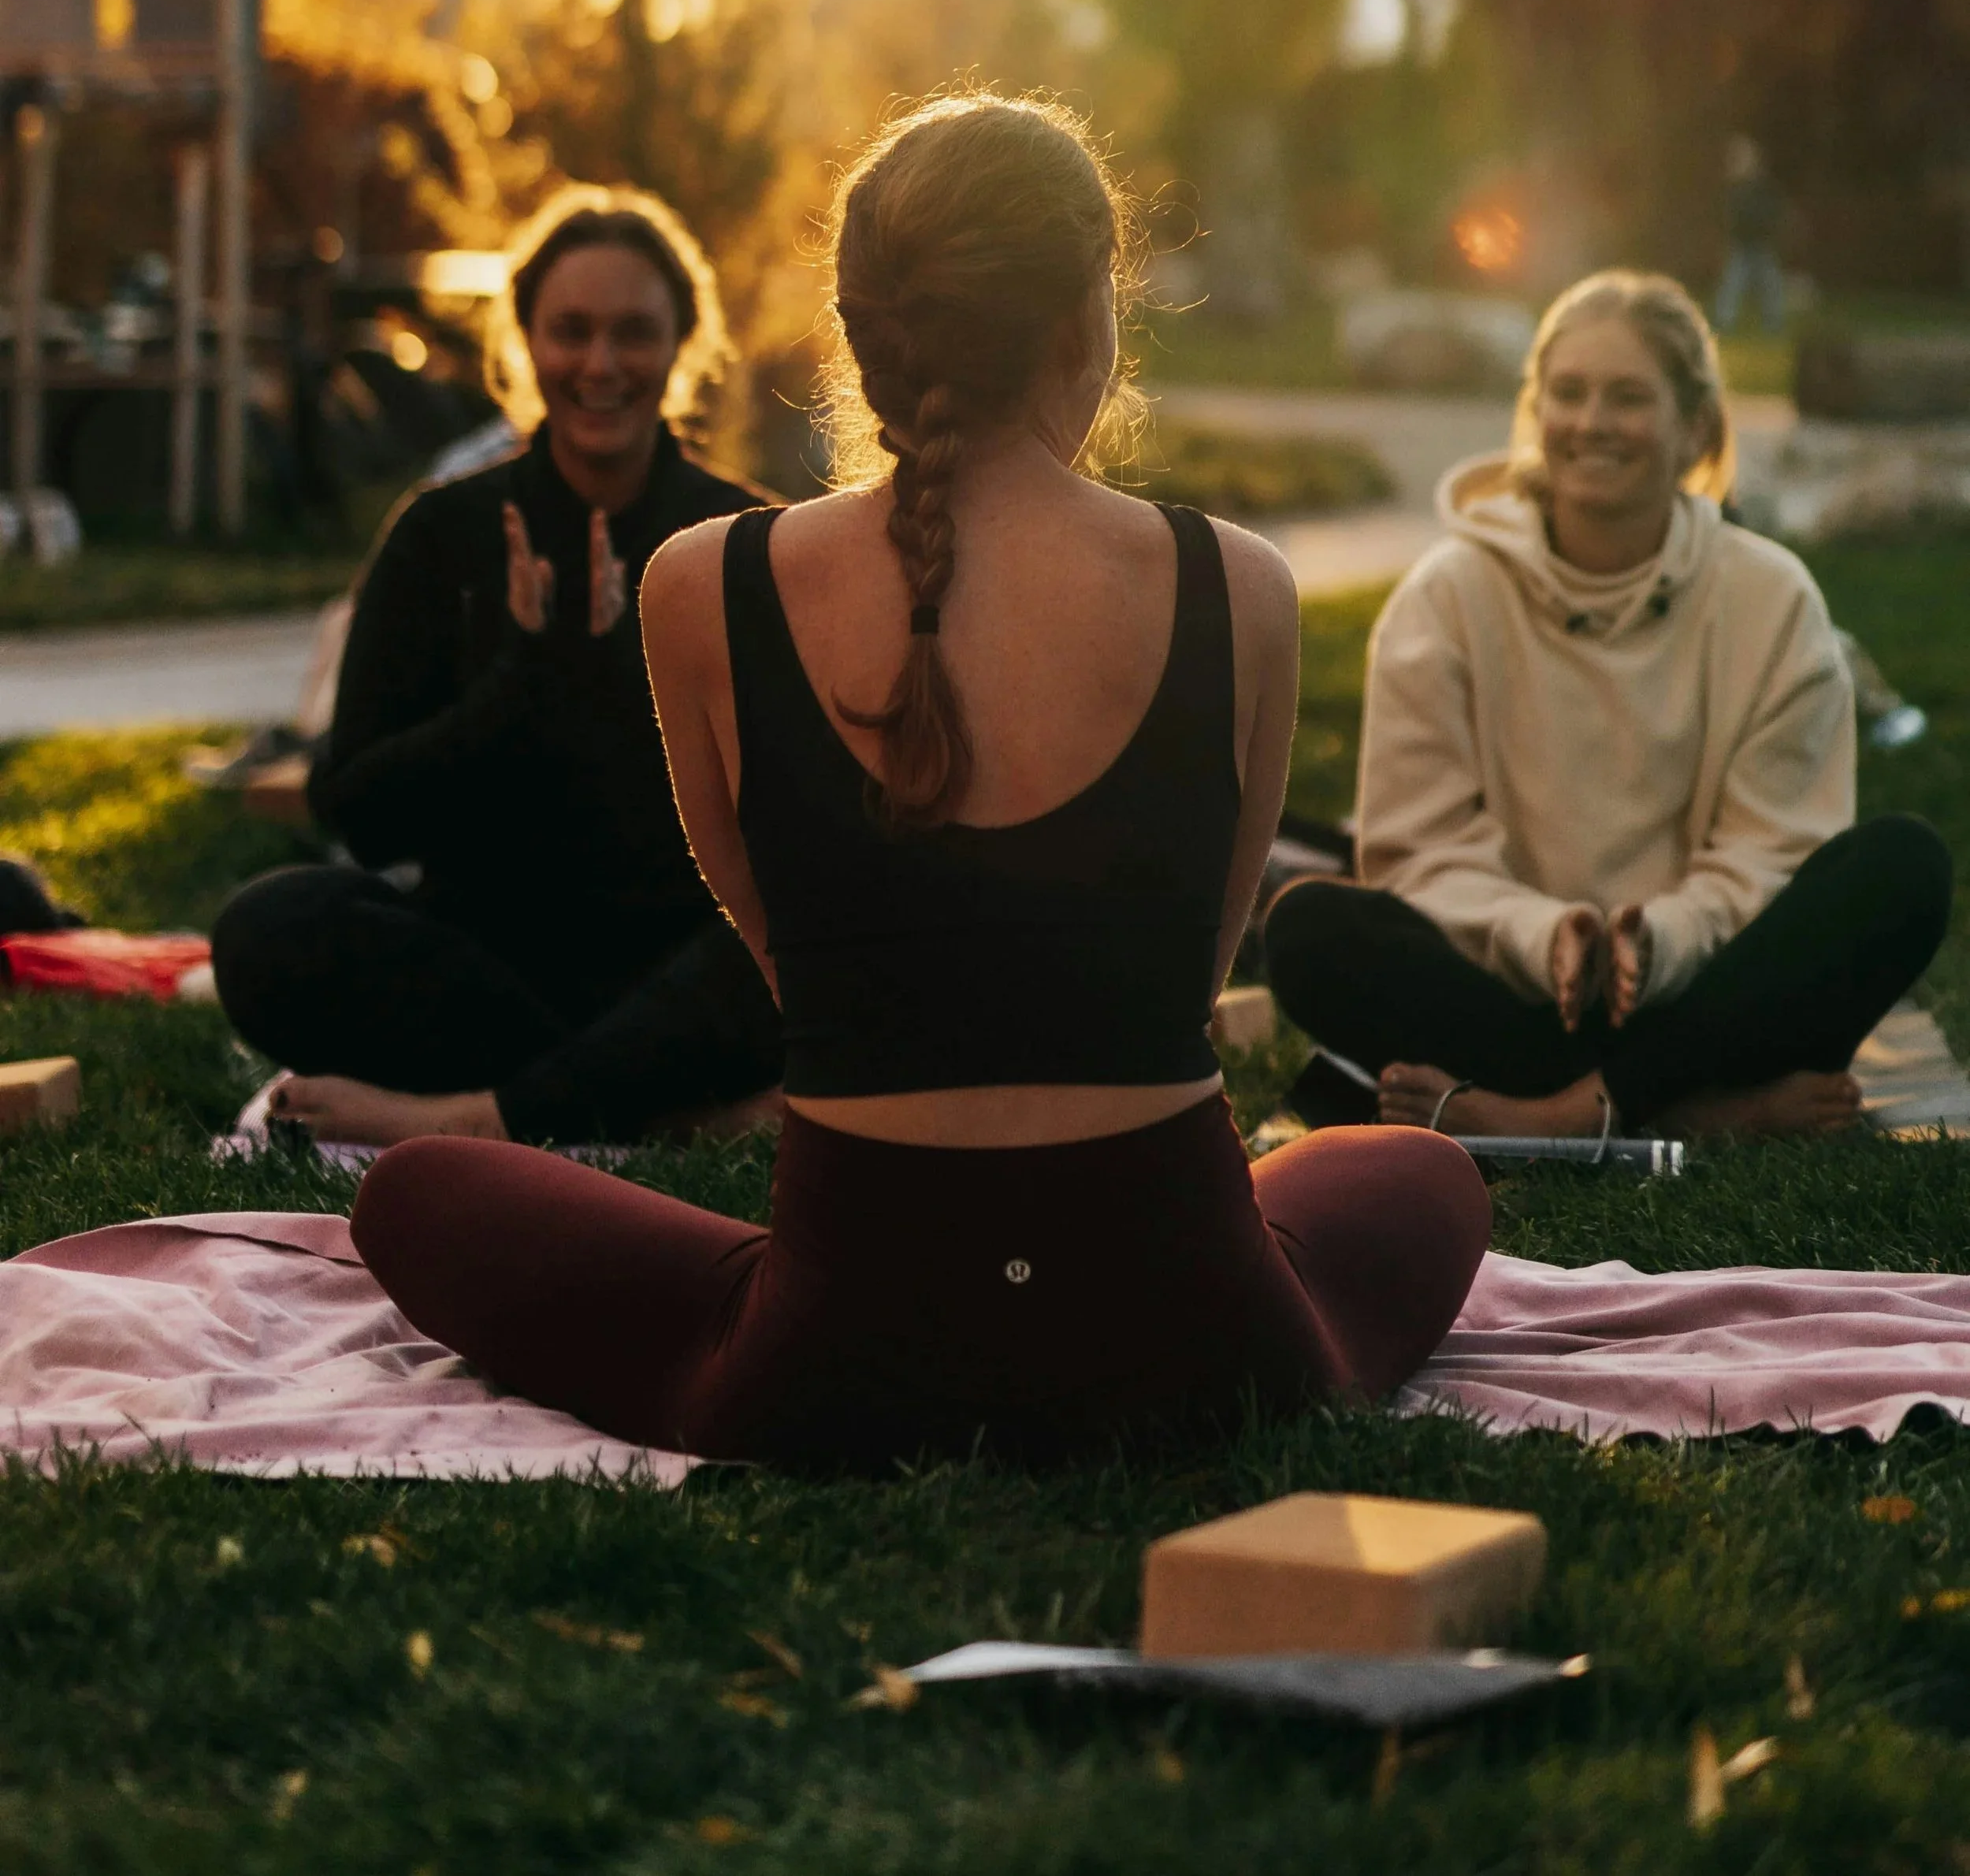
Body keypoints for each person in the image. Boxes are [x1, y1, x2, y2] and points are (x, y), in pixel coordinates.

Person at [346, 95, 1490, 1469]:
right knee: (1415, 1166)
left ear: (861, 329)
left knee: (419, 1193)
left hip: (839, 1353)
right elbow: (1184, 982)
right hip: (1205, 1337)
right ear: (1086, 324)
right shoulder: (1240, 585)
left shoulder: (701, 584)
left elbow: (795, 973)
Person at [1268, 270, 1952, 1142]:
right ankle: (1695, 1109)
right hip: (1511, 989)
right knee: (1309, 930)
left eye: (1627, 396)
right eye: (1569, 393)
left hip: (1713, 982)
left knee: (1902, 867)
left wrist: (1658, 939)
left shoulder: (1771, 600)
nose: (1591, 422)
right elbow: (1419, 848)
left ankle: (1564, 1112)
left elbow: (1776, 848)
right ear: (1535, 411)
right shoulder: (1443, 599)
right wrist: (1543, 935)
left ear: (1694, 427)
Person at [210, 187, 782, 1150]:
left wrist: (616, 679)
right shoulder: (442, 535)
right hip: (487, 967)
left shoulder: (748, 542)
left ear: (683, 343)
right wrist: (521, 683)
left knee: (807, 943)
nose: (601, 364)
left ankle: (491, 1116)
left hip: (673, 960)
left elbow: (785, 832)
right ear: (525, 341)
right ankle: (654, 1104)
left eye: (634, 333)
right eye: (571, 331)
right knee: (266, 930)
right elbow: (356, 805)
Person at [1712, 134, 1792, 337]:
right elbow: (1731, 217)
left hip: (1762, 243)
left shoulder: (1762, 186)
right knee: (1733, 284)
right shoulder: (1735, 189)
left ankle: (1774, 323)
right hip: (1742, 244)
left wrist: (1771, 229)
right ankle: (1724, 321)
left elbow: (1773, 210)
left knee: (1771, 285)